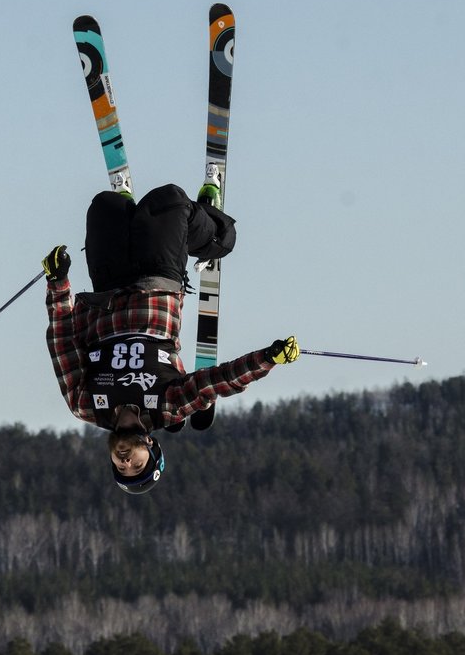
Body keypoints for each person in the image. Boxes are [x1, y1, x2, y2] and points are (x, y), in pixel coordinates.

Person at [43, 183, 299, 494]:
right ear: (150, 446)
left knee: (104, 206)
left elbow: (63, 341)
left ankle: (127, 215)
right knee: (168, 200)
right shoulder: (167, 407)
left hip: (107, 286)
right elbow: (216, 381)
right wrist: (268, 358)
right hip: (157, 281)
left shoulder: (85, 405)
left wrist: (58, 283)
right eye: (137, 464)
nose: (125, 461)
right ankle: (214, 234)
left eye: (120, 466)